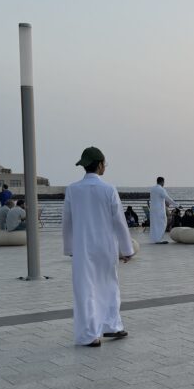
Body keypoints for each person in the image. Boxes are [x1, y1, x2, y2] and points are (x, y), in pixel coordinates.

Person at [62, 147, 134, 347]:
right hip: (106, 246)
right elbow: (119, 221)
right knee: (110, 283)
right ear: (100, 164)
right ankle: (112, 325)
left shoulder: (73, 189)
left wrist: (69, 248)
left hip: (82, 246)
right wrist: (127, 249)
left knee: (85, 288)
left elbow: (67, 221)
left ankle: (89, 334)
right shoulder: (109, 189)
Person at [149, 177, 176, 244]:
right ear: (162, 182)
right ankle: (159, 239)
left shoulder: (152, 189)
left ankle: (154, 239)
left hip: (153, 209)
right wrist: (176, 205)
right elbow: (167, 198)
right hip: (159, 209)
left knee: (154, 224)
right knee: (162, 223)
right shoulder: (161, 189)